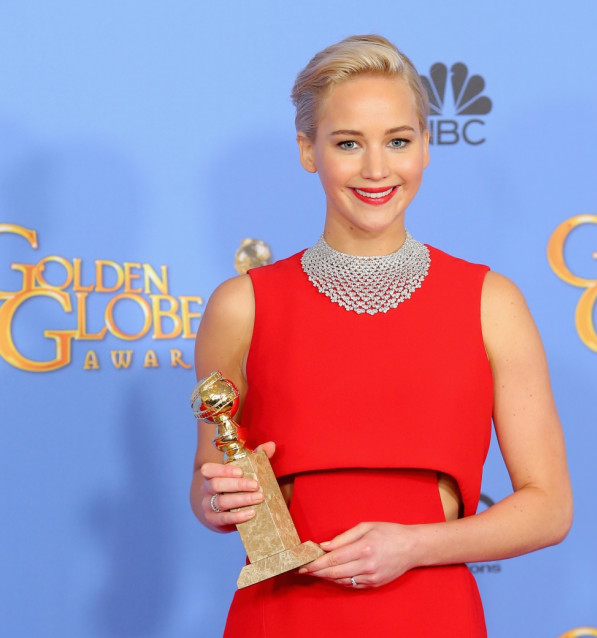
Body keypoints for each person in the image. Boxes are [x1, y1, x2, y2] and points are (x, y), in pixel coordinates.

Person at [190, 34, 572, 637]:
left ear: (425, 146)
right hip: (282, 614)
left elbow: (548, 507)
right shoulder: (242, 306)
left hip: (430, 614)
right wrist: (217, 503)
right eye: (348, 143)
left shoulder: (490, 303)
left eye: (398, 140)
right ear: (307, 150)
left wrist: (414, 546)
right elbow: (211, 477)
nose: (376, 169)